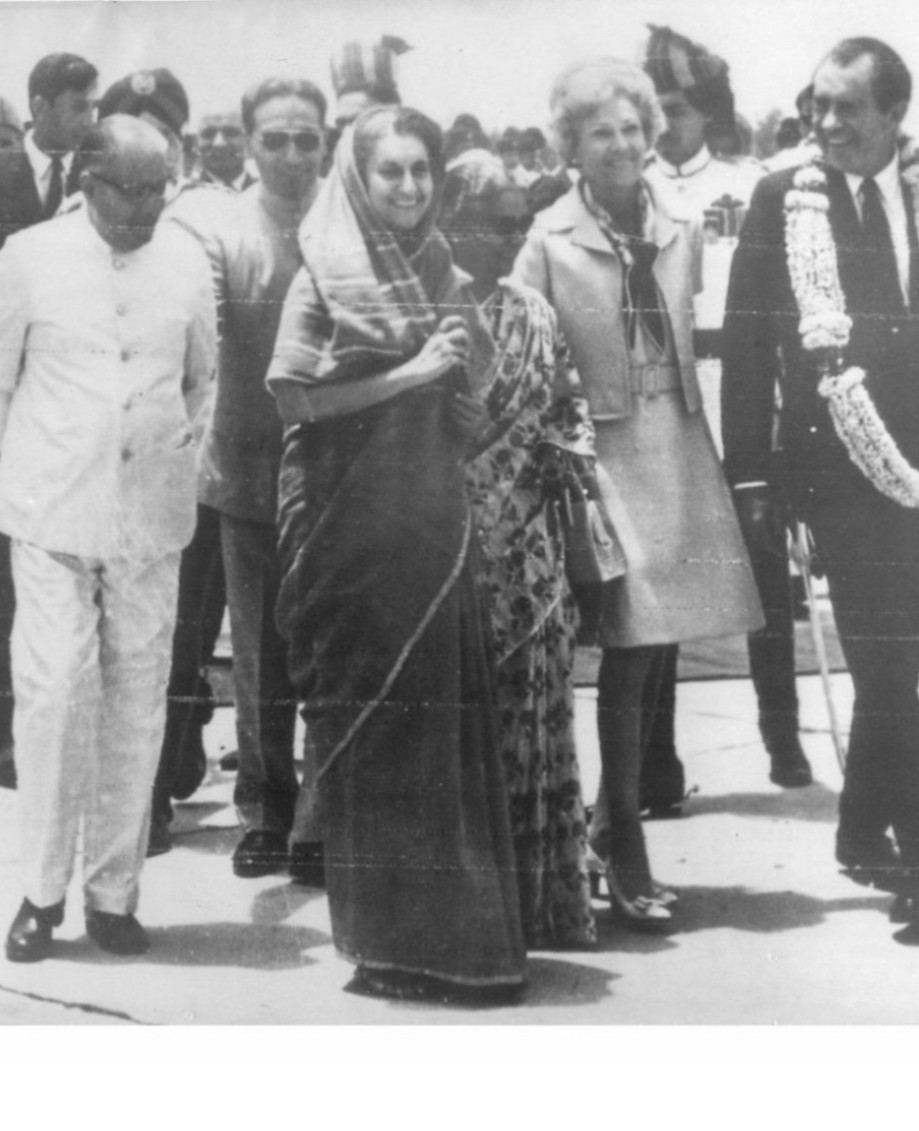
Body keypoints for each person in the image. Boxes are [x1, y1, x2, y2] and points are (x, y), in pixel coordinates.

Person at [722, 38, 919, 944]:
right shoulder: (780, 199)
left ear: (893, 115)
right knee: (885, 666)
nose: (826, 123)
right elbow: (746, 345)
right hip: (831, 473)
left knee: (895, 670)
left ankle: (857, 829)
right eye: (818, 104)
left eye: (848, 108)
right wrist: (753, 477)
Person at [266, 106, 526, 1002]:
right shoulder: (322, 273)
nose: (410, 189)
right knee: (372, 729)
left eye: (422, 172)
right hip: (348, 529)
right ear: (358, 180)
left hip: (427, 526)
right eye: (392, 174)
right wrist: (411, 374)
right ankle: (387, 946)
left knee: (436, 726)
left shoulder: (443, 272)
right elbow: (294, 401)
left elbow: (470, 401)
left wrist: (459, 406)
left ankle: (460, 945)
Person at [511, 60, 763, 930]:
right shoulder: (547, 237)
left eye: (629, 127)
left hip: (676, 440)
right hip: (602, 454)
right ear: (570, 146)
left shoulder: (682, 220)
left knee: (655, 650)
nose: (619, 145)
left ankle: (612, 827)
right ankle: (623, 840)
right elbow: (526, 354)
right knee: (628, 645)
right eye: (598, 132)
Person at [0, 116, 217, 961]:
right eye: (131, 189)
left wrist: (154, 464)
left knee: (136, 699)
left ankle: (113, 894)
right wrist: (56, 466)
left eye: (161, 188)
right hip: (52, 513)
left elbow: (201, 381)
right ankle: (40, 893)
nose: (148, 205)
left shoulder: (186, 261)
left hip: (149, 514)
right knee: (52, 695)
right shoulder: (29, 256)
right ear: (88, 181)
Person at [643, 25, 813, 794]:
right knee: (666, 578)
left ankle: (781, 736)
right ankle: (656, 756)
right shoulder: (630, 187)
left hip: (738, 383)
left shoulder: (746, 188)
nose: (662, 122)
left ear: (705, 112)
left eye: (674, 107)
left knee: (763, 567)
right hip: (661, 393)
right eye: (652, 107)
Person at [168, 76, 329, 883]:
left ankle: (324, 817)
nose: (293, 155)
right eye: (276, 139)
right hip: (247, 471)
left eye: (308, 138)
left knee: (335, 649)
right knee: (261, 656)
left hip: (343, 474)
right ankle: (265, 808)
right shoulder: (221, 230)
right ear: (249, 142)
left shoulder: (353, 219)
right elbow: (200, 326)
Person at [440, 153, 598, 950]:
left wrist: (568, 449)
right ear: (452, 218)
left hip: (532, 556)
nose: (511, 237)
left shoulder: (534, 310)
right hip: (452, 557)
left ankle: (539, 905)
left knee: (536, 723)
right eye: (495, 223)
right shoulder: (423, 306)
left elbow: (568, 405)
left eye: (519, 223)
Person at [95, 68, 226, 853]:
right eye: (128, 119)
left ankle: (157, 782)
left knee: (180, 631)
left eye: (162, 126)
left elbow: (213, 355)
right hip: (100, 461)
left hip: (184, 455)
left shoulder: (201, 219)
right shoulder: (81, 218)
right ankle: (132, 786)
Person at [0, 52, 98, 790]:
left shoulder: (97, 183)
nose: (89, 120)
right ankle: (7, 743)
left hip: (67, 411)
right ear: (41, 106)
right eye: (79, 106)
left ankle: (59, 733)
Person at [194, 111, 257, 191]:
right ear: (196, 144)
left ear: (248, 141)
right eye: (209, 133)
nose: (219, 143)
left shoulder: (268, 194)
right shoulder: (184, 199)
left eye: (230, 132)